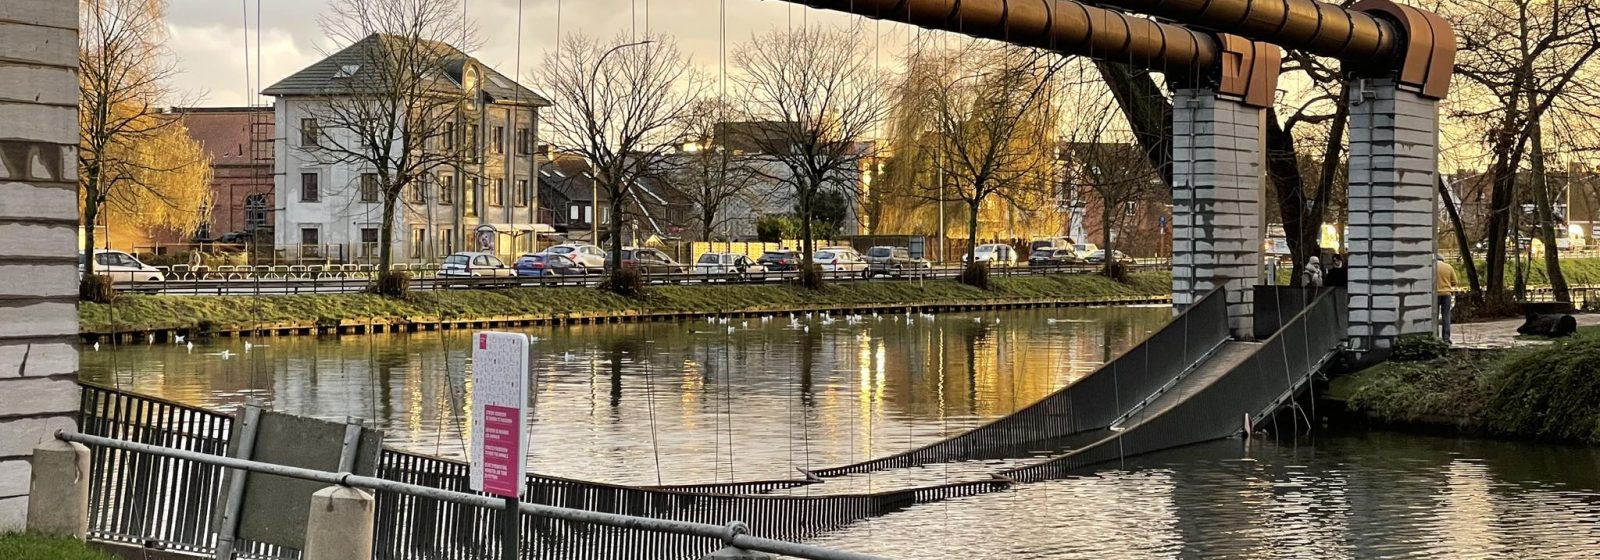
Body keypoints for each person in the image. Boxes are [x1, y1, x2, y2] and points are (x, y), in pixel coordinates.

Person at [1437, 255, 1457, 344]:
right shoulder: (1448, 267)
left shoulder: (1432, 267)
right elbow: (1454, 282)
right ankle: (1446, 338)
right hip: (1447, 294)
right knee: (1446, 315)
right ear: (1442, 259)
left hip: (1435, 294)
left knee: (1434, 317)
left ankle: (1435, 337)